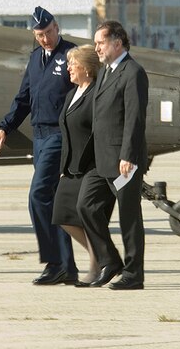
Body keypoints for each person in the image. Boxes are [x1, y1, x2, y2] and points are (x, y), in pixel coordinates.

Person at [0, 6, 77, 285]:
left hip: (59, 135)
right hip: (39, 137)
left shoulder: (71, 55)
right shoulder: (35, 59)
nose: (45, 38)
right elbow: (24, 98)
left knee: (38, 196)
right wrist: (6, 126)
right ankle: (66, 266)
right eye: (40, 34)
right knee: (53, 203)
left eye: (49, 32)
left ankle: (54, 263)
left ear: (57, 27)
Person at [77, 20, 149, 290]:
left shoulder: (133, 73)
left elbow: (134, 118)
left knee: (129, 217)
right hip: (101, 157)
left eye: (101, 42)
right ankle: (110, 261)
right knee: (86, 205)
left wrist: (128, 155)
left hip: (123, 160)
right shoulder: (106, 70)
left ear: (117, 43)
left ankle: (134, 275)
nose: (96, 47)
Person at [52, 45, 101, 284]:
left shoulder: (96, 95)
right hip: (70, 167)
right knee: (62, 215)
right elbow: (67, 133)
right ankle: (100, 253)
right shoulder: (73, 93)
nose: (68, 68)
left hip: (91, 165)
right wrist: (63, 168)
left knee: (87, 217)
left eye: (73, 64)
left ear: (87, 69)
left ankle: (95, 265)